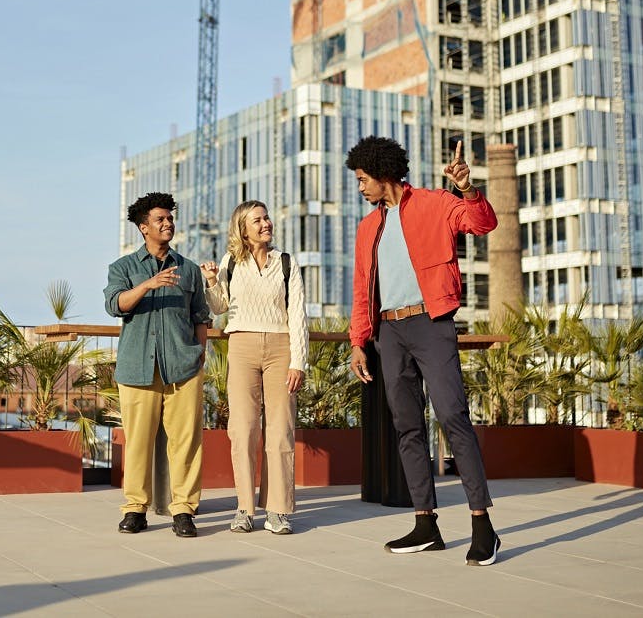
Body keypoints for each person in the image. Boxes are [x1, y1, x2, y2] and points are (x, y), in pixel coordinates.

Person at [345, 136, 502, 566]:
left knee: (452, 415)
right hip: (388, 332)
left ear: (382, 173)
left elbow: (483, 223)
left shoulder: (436, 203)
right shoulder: (367, 228)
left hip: (431, 323)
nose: (360, 187)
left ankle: (481, 522)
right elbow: (363, 290)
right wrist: (359, 341)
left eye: (363, 179)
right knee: (408, 425)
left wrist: (467, 188)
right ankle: (425, 523)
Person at [105, 192, 212, 538]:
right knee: (138, 442)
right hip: (137, 368)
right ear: (143, 227)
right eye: (160, 220)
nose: (168, 224)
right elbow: (115, 305)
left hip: (184, 368)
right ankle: (135, 508)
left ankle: (184, 510)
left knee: (186, 441)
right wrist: (148, 285)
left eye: (169, 218)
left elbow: (200, 317)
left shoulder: (190, 270)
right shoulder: (123, 268)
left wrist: (199, 355)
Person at [199, 201, 307, 535]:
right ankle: (244, 508)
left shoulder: (286, 262)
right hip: (242, 346)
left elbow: (298, 315)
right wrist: (212, 281)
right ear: (243, 229)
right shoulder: (232, 261)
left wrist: (298, 361)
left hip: (280, 347)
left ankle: (277, 510)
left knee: (281, 430)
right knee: (243, 429)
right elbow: (219, 308)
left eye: (266, 217)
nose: (265, 224)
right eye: (257, 220)